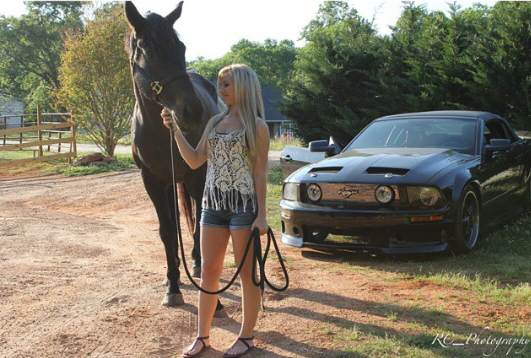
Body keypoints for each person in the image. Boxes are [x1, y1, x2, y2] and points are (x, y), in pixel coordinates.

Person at [161, 64, 270, 358]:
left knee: (247, 274)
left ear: (243, 87)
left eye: (226, 85)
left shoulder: (257, 127)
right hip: (212, 207)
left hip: (243, 208)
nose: (220, 90)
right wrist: (175, 132)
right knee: (209, 271)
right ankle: (203, 337)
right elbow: (196, 160)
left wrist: (261, 216)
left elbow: (260, 174)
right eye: (220, 84)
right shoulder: (214, 122)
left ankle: (246, 337)